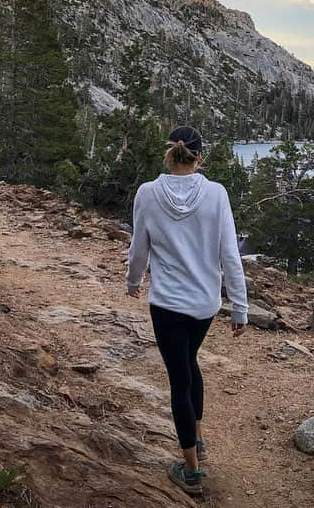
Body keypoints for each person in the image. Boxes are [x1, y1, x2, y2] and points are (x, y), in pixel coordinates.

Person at [126, 125, 249, 497]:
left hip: (167, 303)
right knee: (190, 363)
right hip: (204, 305)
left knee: (179, 379)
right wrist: (239, 307)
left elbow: (139, 249)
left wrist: (133, 282)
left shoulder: (148, 193)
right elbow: (230, 254)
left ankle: (191, 471)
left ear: (169, 153)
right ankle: (196, 436)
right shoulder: (216, 194)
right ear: (200, 156)